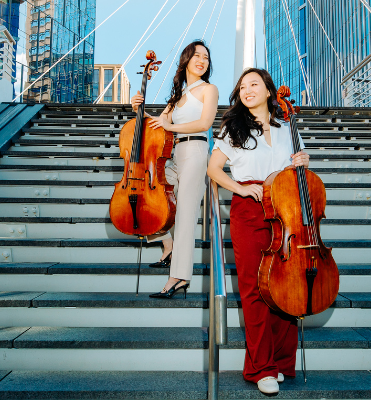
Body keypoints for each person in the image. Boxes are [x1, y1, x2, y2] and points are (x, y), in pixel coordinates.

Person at [206, 68, 310, 395]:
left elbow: (298, 166)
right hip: (249, 209)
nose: (247, 89)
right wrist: (238, 187)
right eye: (243, 86)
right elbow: (213, 169)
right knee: (253, 288)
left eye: (254, 84)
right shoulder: (232, 128)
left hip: (284, 208)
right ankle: (261, 368)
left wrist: (302, 161)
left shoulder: (285, 127)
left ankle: (278, 362)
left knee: (283, 286)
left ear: (268, 91)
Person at [130, 40, 218, 299]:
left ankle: (178, 277)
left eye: (206, 57)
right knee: (147, 197)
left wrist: (170, 126)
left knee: (186, 215)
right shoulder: (176, 96)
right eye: (197, 56)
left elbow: (205, 122)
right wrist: (138, 108)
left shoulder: (208, 90)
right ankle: (167, 244)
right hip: (173, 154)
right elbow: (159, 125)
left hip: (195, 151)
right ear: (186, 60)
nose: (202, 60)